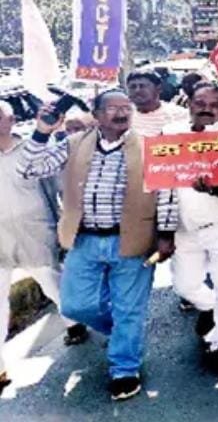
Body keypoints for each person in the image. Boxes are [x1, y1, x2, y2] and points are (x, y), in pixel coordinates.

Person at [18, 90, 177, 401]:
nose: (121, 113)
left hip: (132, 239)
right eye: (112, 108)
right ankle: (120, 334)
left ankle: (124, 369)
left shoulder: (149, 147)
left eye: (125, 108)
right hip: (84, 240)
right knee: (75, 305)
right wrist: (42, 130)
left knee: (129, 310)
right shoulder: (74, 143)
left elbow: (167, 191)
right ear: (96, 113)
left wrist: (167, 235)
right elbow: (29, 169)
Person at [161, 83, 218, 375]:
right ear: (188, 103)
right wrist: (163, 231)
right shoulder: (170, 134)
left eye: (215, 104)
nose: (207, 109)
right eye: (200, 102)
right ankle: (210, 308)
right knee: (185, 286)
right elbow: (161, 184)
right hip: (185, 227)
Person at [0, 101, 87, 394]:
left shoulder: (32, 150)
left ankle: (73, 322)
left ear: (11, 119)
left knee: (53, 284)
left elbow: (58, 188)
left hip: (35, 232)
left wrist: (68, 225)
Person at [126, 70, 188, 138]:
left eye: (142, 86)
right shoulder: (122, 117)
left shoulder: (180, 115)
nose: (137, 90)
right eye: (132, 87)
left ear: (159, 88)